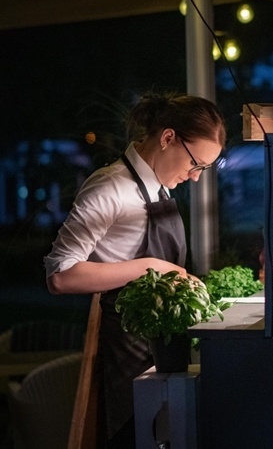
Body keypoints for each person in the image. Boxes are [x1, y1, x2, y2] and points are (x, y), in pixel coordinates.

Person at [44, 92, 226, 448]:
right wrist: (151, 266)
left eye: (203, 169)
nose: (195, 177)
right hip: (126, 347)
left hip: (160, 344)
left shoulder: (158, 187)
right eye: (195, 164)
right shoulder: (110, 187)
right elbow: (60, 275)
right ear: (168, 137)